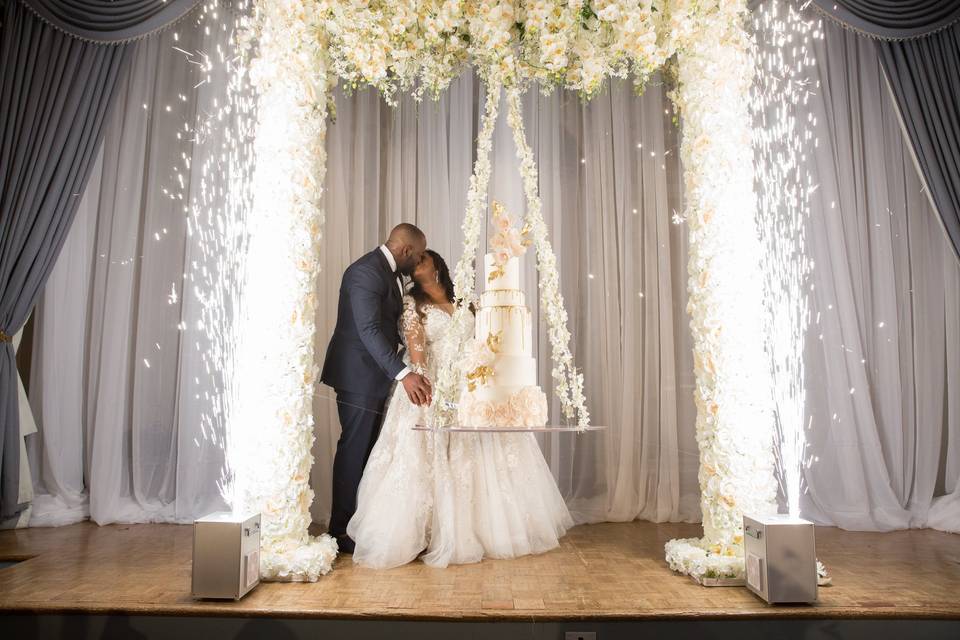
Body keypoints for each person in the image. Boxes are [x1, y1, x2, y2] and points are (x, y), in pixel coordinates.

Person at [348, 250, 573, 569]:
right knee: (430, 453)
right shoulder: (414, 304)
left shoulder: (468, 299)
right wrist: (428, 387)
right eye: (415, 263)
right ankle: (427, 531)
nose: (418, 264)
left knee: (481, 452)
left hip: (474, 383)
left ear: (438, 262)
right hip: (436, 381)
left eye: (424, 258)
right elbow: (417, 349)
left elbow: (491, 339)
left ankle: (484, 527)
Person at [320, 223, 433, 554]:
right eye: (420, 254)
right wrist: (403, 374)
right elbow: (369, 330)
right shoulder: (366, 272)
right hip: (358, 377)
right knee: (355, 450)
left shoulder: (388, 272)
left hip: (373, 376)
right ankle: (340, 531)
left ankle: (358, 524)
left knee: (368, 451)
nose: (421, 260)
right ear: (406, 251)